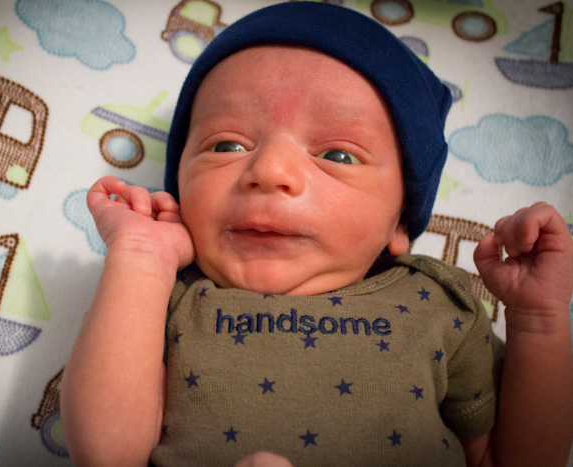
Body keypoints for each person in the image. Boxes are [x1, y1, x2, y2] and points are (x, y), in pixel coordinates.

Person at [60, 3, 573, 466]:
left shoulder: (439, 306)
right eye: (226, 145)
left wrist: (539, 320)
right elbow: (108, 455)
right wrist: (140, 257)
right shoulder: (164, 297)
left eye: (338, 155)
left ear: (400, 221)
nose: (270, 170)